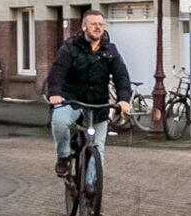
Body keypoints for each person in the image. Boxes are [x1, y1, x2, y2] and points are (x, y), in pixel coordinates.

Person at [44, 9, 133, 177]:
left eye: (101, 24)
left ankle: (92, 187)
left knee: (98, 148)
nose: (97, 27)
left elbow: (121, 76)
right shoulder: (70, 47)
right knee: (59, 122)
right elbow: (58, 72)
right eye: (93, 24)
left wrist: (123, 99)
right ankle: (63, 156)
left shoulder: (110, 50)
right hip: (72, 100)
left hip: (98, 104)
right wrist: (55, 93)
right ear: (84, 26)